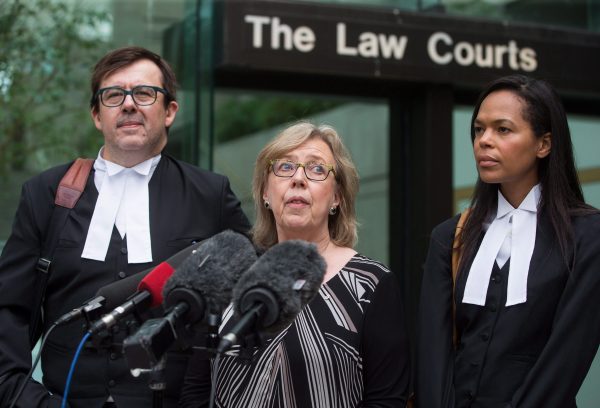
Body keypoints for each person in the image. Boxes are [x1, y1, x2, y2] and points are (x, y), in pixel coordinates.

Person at [0, 46, 250, 408]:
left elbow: (246, 301)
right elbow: (9, 310)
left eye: (144, 93)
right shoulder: (46, 193)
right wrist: (25, 397)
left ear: (170, 111)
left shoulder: (210, 195)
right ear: (96, 115)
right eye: (114, 95)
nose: (129, 104)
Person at [179, 121, 410, 407]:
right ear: (265, 193)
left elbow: (386, 400)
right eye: (285, 167)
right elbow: (196, 392)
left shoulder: (371, 283)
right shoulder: (229, 275)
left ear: (337, 197)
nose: (298, 178)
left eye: (316, 169)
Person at [416, 74, 600, 408]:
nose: (484, 141)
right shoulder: (450, 237)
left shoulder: (588, 235)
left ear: (544, 144)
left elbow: (567, 356)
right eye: (478, 129)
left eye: (503, 129)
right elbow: (433, 352)